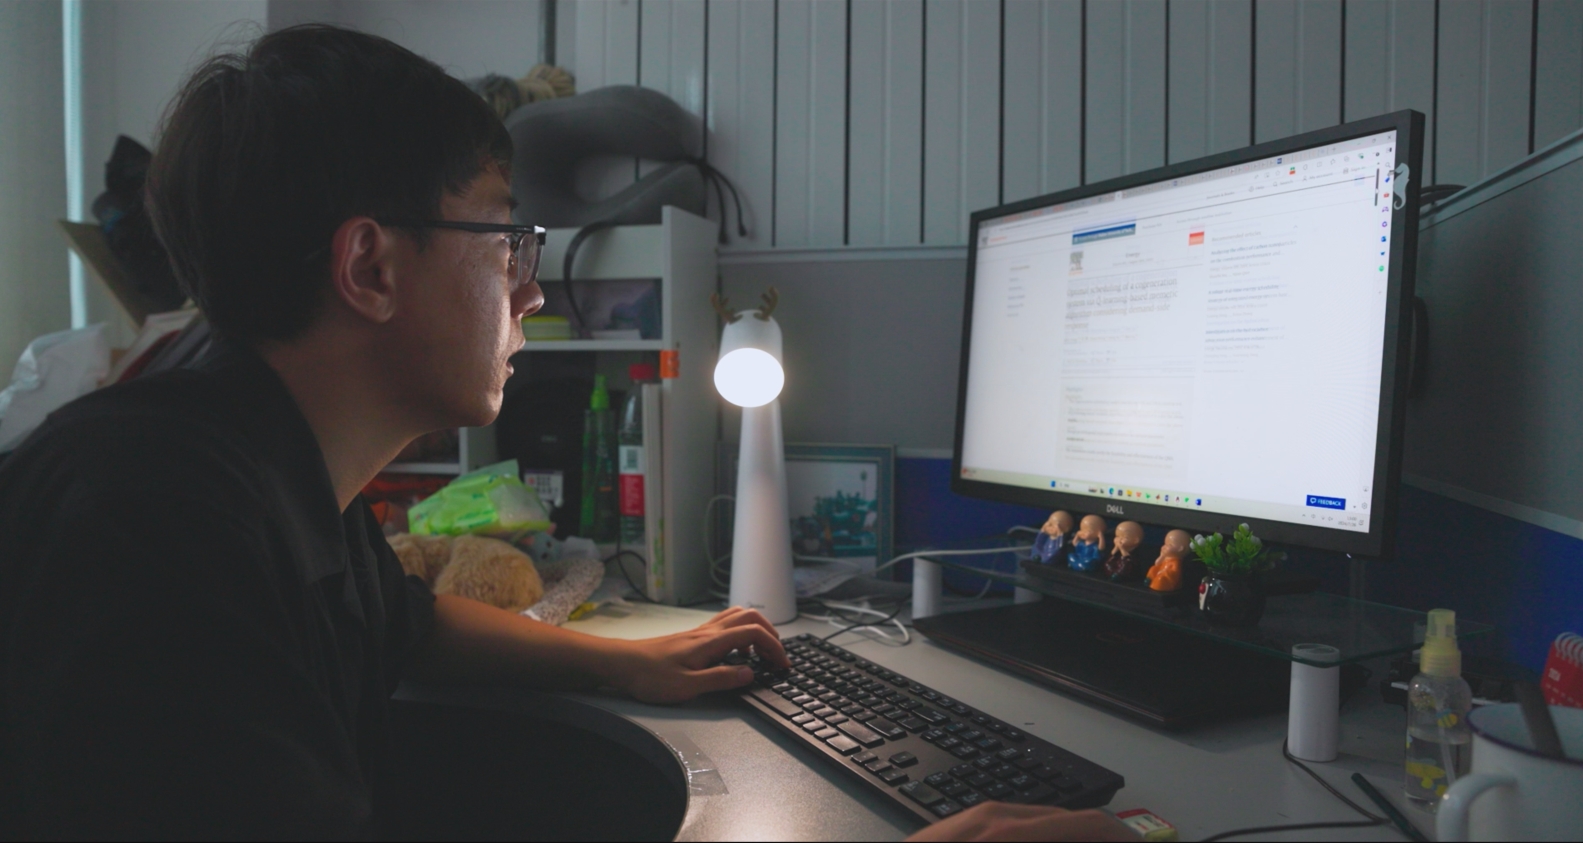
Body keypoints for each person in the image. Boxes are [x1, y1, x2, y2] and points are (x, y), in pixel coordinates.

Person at [0, 25, 1132, 842]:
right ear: (370, 267)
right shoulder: (150, 532)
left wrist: (631, 660)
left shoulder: (257, 461)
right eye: (505, 243)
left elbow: (401, 624)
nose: (530, 291)